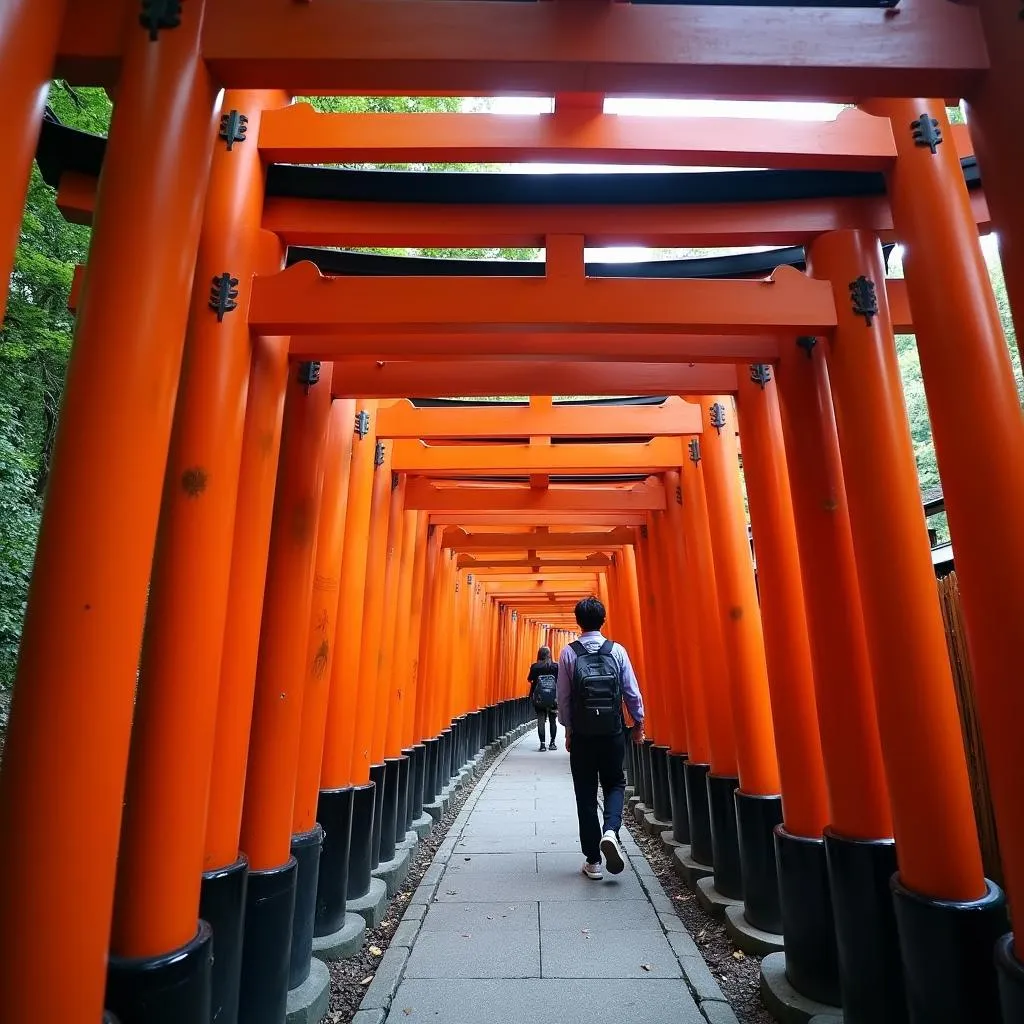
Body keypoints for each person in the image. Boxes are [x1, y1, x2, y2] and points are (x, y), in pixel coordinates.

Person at [556, 596, 645, 880]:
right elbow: (631, 691)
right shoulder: (617, 651)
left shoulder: (568, 653)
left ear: (578, 622)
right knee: (615, 783)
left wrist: (568, 729)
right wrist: (638, 723)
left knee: (584, 793)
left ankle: (593, 861)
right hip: (612, 732)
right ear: (603, 620)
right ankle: (611, 831)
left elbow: (564, 697)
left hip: (583, 735)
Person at [527, 646, 559, 751]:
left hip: (539, 697)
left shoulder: (535, 667)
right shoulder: (555, 666)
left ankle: (542, 744)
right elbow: (560, 680)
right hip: (553, 697)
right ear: (549, 654)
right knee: (552, 720)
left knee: (541, 719)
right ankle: (552, 743)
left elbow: (530, 679)